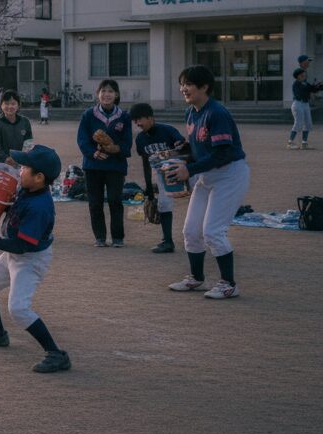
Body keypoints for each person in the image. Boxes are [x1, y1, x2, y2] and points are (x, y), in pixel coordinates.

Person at [0, 144, 71, 374]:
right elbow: (10, 210)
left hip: (31, 259)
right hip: (15, 252)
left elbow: (22, 246)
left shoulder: (40, 207)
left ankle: (56, 354)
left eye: (24, 167)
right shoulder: (28, 189)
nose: (19, 170)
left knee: (19, 309)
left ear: (39, 177)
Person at [165, 65, 250, 300]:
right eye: (182, 84)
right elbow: (198, 149)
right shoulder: (191, 112)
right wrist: (181, 153)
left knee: (213, 231)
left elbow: (222, 154)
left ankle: (229, 284)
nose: (183, 88)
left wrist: (189, 169)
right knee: (191, 231)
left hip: (230, 174)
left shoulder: (217, 113)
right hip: (207, 175)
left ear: (204, 87)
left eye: (189, 84)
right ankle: (197, 279)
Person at [76, 79, 133, 247]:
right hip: (93, 165)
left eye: (110, 91)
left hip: (115, 165)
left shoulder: (124, 116)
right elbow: (82, 140)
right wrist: (93, 153)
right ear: (97, 94)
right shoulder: (88, 115)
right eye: (103, 91)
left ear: (116, 95)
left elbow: (127, 142)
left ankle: (118, 238)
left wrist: (116, 148)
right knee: (95, 202)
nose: (107, 94)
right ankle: (100, 237)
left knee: (115, 200)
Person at [130, 102, 186, 254]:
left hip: (181, 170)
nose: (137, 123)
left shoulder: (167, 130)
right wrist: (148, 187)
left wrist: (179, 145)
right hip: (162, 174)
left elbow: (184, 149)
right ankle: (167, 242)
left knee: (199, 201)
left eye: (139, 119)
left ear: (150, 117)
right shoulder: (140, 139)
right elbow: (146, 163)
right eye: (134, 120)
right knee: (164, 205)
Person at [0, 89, 34, 166]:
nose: (10, 107)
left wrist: (23, 158)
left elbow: (28, 143)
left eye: (13, 104)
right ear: (1, 106)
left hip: (21, 163)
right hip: (2, 165)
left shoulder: (25, 122)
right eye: (6, 104)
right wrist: (7, 159)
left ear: (18, 105)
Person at [288, 67, 319, 149]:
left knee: (308, 123)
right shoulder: (296, 84)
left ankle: (304, 143)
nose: (304, 75)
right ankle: (290, 143)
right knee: (298, 123)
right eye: (302, 74)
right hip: (298, 104)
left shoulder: (305, 83)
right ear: (298, 76)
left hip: (305, 104)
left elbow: (314, 89)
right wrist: (309, 89)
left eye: (304, 74)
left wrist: (318, 86)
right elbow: (301, 93)